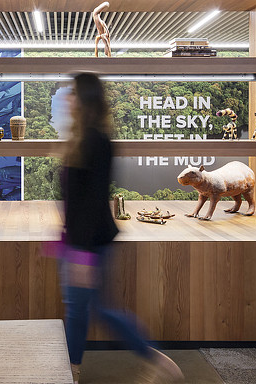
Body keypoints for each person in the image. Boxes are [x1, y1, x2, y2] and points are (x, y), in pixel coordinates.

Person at [58, 72, 183, 383]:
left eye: (73, 93)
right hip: (79, 242)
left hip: (89, 244)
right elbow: (76, 201)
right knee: (84, 310)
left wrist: (82, 255)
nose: (68, 98)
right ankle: (74, 369)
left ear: (85, 99)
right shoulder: (82, 138)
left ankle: (152, 358)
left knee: (95, 310)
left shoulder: (96, 141)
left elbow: (92, 200)